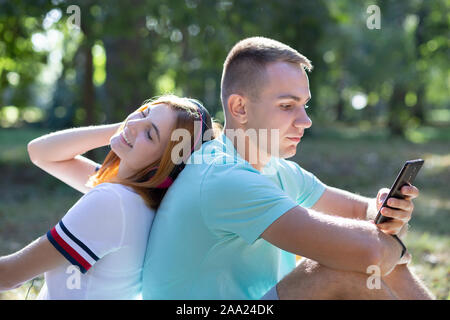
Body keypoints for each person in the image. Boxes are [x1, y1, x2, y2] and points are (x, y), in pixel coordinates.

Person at [141, 37, 435, 300]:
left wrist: (386, 212)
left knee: (366, 250)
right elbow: (369, 252)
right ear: (240, 108)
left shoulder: (275, 169)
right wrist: (385, 242)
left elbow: (364, 213)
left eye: (304, 105)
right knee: (343, 267)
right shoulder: (223, 177)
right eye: (287, 106)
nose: (305, 120)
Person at [0, 95, 218, 299]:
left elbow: (8, 275)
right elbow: (40, 153)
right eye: (144, 113)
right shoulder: (134, 200)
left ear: (162, 167)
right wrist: (122, 129)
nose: (133, 125)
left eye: (150, 134)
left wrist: (128, 130)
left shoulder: (113, 203)